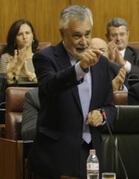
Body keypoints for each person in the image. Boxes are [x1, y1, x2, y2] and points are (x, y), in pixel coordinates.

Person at [28, 5, 116, 178]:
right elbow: (49, 86)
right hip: (56, 157)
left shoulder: (102, 63)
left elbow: (110, 107)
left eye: (88, 34)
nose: (84, 41)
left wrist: (102, 115)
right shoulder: (46, 57)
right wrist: (80, 68)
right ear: (62, 34)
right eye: (77, 35)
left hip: (92, 154)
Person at [0, 19, 39, 84]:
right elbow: (2, 87)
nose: (24, 37)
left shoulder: (41, 58)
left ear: (33, 36)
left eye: (27, 33)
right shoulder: (6, 58)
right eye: (20, 34)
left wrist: (31, 77)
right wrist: (17, 68)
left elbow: (47, 85)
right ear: (14, 39)